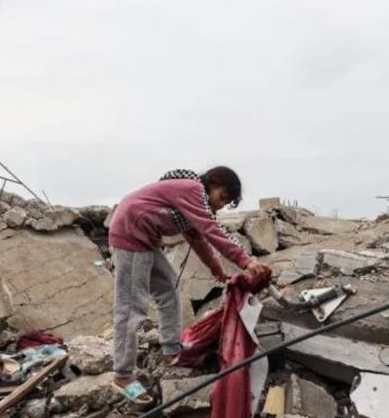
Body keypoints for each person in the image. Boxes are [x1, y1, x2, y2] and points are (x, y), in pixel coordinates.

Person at [107, 166, 272, 404]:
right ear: (213, 183)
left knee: (169, 290)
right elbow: (211, 229)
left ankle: (171, 349)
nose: (220, 206)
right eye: (223, 197)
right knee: (132, 308)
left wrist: (215, 268)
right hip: (131, 235)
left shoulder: (190, 201)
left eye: (227, 204)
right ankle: (122, 375)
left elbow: (198, 238)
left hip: (145, 239)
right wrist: (246, 260)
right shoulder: (192, 189)